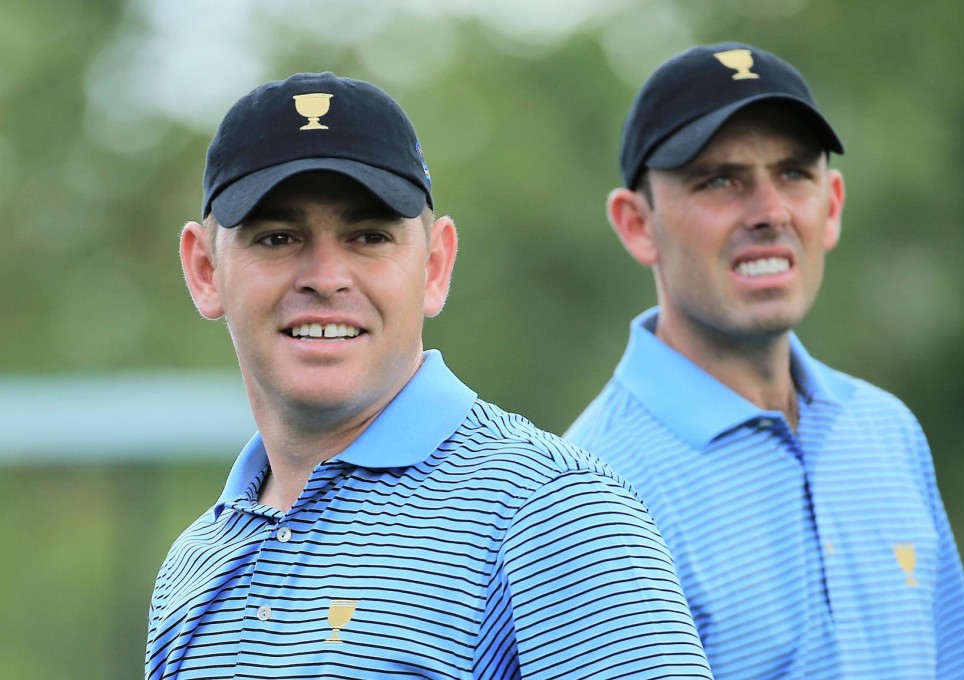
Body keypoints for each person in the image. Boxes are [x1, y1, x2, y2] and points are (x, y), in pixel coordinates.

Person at [144, 71, 713, 679]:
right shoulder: (193, 564)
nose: (326, 276)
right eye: (278, 237)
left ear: (436, 266)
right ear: (205, 270)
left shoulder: (554, 512)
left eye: (369, 236)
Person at [565, 43, 964, 678]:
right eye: (720, 179)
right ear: (636, 224)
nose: (770, 212)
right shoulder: (591, 494)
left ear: (832, 205)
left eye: (794, 173)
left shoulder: (888, 432)